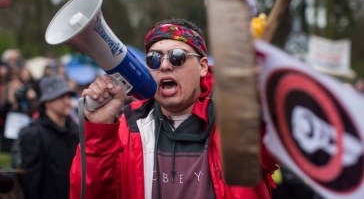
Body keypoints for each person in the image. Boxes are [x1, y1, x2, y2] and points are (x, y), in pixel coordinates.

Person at [70, 18, 278, 198]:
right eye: (154, 59)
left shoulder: (237, 122)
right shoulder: (127, 128)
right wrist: (99, 133)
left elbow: (282, 141)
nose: (165, 65)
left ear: (203, 66)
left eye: (177, 56)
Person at [18, 75, 79, 199]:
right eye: (60, 97)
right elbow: (31, 180)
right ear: (46, 101)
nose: (67, 101)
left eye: (68, 96)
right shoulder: (33, 133)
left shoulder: (75, 130)